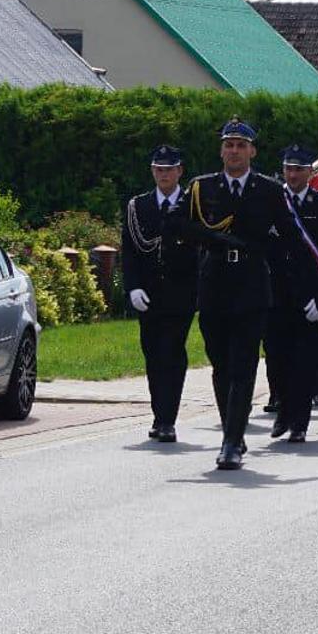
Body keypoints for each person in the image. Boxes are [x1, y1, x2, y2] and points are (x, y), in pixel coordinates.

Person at [189, 119, 318, 470]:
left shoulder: (268, 191)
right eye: (228, 144)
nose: (234, 151)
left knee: (243, 366)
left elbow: (295, 241)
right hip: (214, 283)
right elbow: (179, 227)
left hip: (251, 285)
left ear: (252, 151)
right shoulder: (202, 189)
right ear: (221, 150)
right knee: (221, 366)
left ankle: (231, 441)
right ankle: (232, 431)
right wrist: (214, 241)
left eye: (241, 145)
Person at [120, 145, 202, 443]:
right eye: (158, 169)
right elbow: (129, 251)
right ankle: (159, 414)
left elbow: (199, 251)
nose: (163, 174)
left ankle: (168, 418)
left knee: (173, 352)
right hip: (149, 294)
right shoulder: (138, 206)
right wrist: (133, 287)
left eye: (169, 169)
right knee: (153, 354)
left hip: (180, 294)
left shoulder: (193, 203)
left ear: (179, 171)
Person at [261, 144, 318, 441]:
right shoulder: (271, 200)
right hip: (275, 293)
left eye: (298, 169)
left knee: (304, 361)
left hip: (309, 294)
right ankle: (282, 409)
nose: (292, 174)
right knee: (277, 358)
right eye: (288, 168)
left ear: (310, 172)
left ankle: (299, 423)